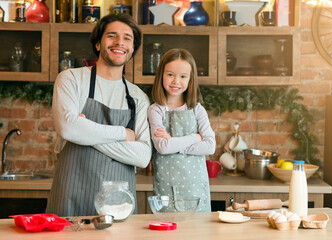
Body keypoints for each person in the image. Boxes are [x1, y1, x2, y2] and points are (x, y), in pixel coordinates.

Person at [46, 13, 152, 217]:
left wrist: (84, 133)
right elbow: (68, 128)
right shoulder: (72, 79)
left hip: (118, 204)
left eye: (127, 38)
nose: (119, 42)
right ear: (98, 44)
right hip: (71, 193)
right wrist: (122, 133)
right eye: (112, 35)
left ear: (132, 49)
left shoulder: (138, 97)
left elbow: (142, 156)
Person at [148, 48, 216, 212]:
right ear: (161, 75)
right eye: (170, 74)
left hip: (196, 189)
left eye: (183, 76)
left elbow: (210, 146)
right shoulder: (156, 110)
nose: (175, 81)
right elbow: (163, 147)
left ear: (190, 79)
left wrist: (173, 143)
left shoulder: (197, 109)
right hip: (167, 188)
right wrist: (195, 137)